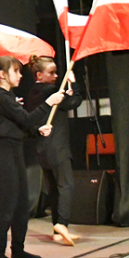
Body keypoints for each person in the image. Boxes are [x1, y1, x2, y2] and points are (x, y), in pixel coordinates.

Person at [0, 56, 64, 258]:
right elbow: (26, 119)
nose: (20, 76)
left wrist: (37, 130)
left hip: (14, 149)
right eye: (16, 71)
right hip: (4, 152)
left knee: (21, 203)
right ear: (3, 75)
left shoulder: (7, 97)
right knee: (8, 203)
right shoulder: (0, 96)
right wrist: (48, 102)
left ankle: (18, 248)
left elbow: (21, 126)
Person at [25, 55, 82, 246]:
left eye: (56, 72)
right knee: (65, 185)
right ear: (39, 74)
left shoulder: (32, 92)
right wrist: (75, 85)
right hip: (57, 146)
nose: (56, 76)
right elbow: (73, 103)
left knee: (54, 189)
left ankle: (57, 227)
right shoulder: (50, 91)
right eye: (51, 73)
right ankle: (62, 225)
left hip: (42, 147)